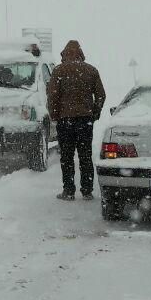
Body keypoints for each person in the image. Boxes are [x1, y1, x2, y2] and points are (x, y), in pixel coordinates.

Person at [46, 40, 106, 201]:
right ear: (80, 53)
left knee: (67, 157)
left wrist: (55, 115)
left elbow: (52, 96)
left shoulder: (59, 71)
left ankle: (69, 190)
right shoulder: (91, 70)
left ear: (65, 53)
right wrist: (95, 112)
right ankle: (87, 190)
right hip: (85, 120)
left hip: (65, 121)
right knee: (85, 155)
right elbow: (101, 95)